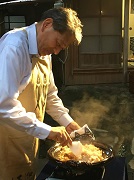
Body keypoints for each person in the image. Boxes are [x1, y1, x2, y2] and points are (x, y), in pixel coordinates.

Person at [0, 7, 83, 180]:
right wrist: (49, 131)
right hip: (7, 140)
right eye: (58, 43)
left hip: (30, 135)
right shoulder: (14, 47)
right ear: (47, 24)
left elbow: (50, 94)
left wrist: (67, 122)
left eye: (62, 48)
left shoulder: (45, 52)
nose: (57, 51)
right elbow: (4, 105)